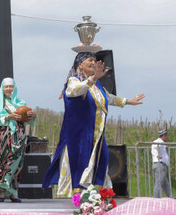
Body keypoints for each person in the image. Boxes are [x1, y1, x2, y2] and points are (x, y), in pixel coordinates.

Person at [42, 52, 144, 197]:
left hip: (97, 135)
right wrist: (93, 78)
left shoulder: (97, 86)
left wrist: (129, 101)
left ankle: (96, 197)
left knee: (101, 162)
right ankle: (80, 199)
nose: (93, 62)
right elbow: (75, 91)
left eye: (95, 60)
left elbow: (109, 98)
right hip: (80, 135)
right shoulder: (74, 81)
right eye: (90, 60)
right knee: (80, 165)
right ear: (80, 65)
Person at [0, 78, 36, 203]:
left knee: (17, 163)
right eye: (6, 87)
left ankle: (13, 192)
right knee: (3, 161)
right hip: (4, 135)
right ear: (2, 88)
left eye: (11, 86)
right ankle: (1, 191)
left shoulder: (21, 103)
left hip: (19, 135)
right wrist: (8, 117)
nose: (9, 89)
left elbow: (28, 120)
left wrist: (33, 115)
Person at [152, 129, 171, 198]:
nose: (167, 137)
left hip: (161, 165)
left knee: (165, 184)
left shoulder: (161, 143)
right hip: (159, 164)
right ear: (164, 136)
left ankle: (170, 197)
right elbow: (154, 148)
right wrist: (156, 154)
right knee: (159, 183)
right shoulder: (158, 142)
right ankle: (156, 199)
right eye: (166, 136)